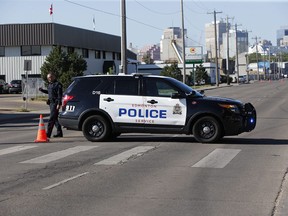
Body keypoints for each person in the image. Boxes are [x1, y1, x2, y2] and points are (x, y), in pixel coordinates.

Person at [39, 72, 63, 138]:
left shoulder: (57, 84)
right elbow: (49, 92)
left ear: (54, 77)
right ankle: (59, 133)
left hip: (55, 103)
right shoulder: (50, 84)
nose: (49, 79)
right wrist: (42, 90)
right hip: (51, 103)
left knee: (51, 118)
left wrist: (59, 103)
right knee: (55, 119)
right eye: (48, 78)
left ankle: (48, 134)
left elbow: (59, 95)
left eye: (50, 77)